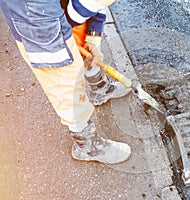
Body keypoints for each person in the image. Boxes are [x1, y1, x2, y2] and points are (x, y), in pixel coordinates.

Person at [0, 0, 131, 164]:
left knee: (82, 41)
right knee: (64, 76)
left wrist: (92, 35)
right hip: (37, 16)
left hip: (53, 9)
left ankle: (99, 88)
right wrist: (69, 33)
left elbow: (95, 6)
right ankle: (86, 144)